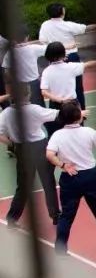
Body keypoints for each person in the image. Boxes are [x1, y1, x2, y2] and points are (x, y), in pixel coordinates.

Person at [45, 100, 96, 253]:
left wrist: (63, 165)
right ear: (79, 116)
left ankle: (60, 247)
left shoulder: (57, 135)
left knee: (66, 215)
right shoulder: (88, 132)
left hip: (69, 177)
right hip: (90, 176)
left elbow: (49, 154)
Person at [0, 84, 60, 227]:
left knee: (23, 185)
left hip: (21, 148)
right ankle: (55, 215)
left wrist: (12, 143)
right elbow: (57, 114)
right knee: (48, 182)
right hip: (39, 146)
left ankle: (12, 218)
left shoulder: (6, 113)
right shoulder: (35, 109)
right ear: (28, 95)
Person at [39, 3, 96, 108]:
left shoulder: (45, 25)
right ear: (62, 12)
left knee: (55, 87)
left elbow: (42, 40)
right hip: (71, 56)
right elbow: (85, 28)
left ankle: (59, 111)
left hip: (54, 57)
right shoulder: (67, 25)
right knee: (77, 87)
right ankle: (79, 111)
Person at [40, 42, 96, 129]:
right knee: (77, 128)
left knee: (57, 130)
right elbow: (88, 65)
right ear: (63, 54)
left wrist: (60, 100)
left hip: (55, 105)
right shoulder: (70, 67)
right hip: (72, 104)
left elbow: (44, 92)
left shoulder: (46, 71)